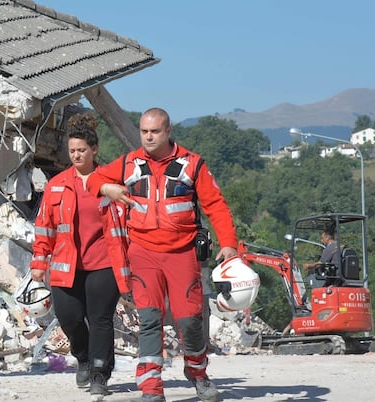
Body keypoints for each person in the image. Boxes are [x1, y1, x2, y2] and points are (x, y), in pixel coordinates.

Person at [87, 108, 237, 402]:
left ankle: (197, 373)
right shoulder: (129, 163)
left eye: (154, 132)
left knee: (190, 320)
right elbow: (92, 180)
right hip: (142, 253)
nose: (148, 137)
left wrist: (229, 243)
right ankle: (151, 387)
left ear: (168, 131)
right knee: (149, 319)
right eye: (144, 131)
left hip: (182, 253)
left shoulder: (192, 164)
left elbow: (215, 205)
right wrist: (107, 187)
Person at [30, 113, 131, 397]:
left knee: (100, 319)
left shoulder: (111, 183)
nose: (76, 155)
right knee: (68, 316)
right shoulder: (58, 184)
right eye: (72, 150)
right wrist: (39, 261)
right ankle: (83, 356)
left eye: (82, 150)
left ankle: (100, 372)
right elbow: (45, 226)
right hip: (66, 265)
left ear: (94, 150)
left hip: (103, 263)